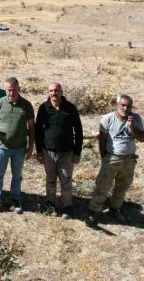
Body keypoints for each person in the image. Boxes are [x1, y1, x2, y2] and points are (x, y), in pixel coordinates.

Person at [87, 94, 144, 226]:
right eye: (123, 105)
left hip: (129, 159)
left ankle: (114, 208)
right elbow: (102, 140)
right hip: (112, 157)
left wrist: (132, 127)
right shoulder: (108, 119)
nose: (125, 108)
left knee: (122, 186)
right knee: (103, 186)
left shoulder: (136, 119)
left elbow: (142, 138)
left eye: (128, 106)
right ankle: (94, 211)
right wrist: (104, 157)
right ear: (117, 105)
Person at [0, 77, 34, 214]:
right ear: (5, 89)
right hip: (1, 147)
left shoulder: (26, 105)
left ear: (19, 88)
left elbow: (31, 128)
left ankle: (15, 199)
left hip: (19, 148)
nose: (11, 93)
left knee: (17, 175)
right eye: (8, 90)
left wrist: (30, 148)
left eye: (14, 90)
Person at [35, 82, 83, 218]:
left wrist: (78, 152)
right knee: (50, 179)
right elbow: (38, 130)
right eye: (51, 91)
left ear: (61, 92)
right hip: (48, 151)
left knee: (66, 179)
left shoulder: (70, 108)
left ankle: (67, 206)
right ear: (48, 93)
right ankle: (50, 203)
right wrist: (38, 151)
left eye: (56, 90)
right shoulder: (44, 108)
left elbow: (78, 131)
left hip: (67, 152)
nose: (54, 93)